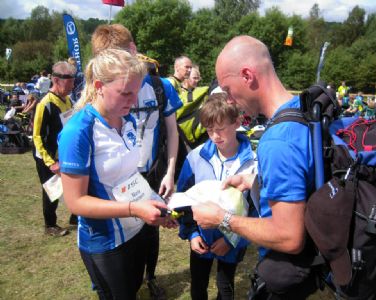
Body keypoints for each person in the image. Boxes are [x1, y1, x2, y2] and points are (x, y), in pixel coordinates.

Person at [192, 35, 316, 298]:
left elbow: (289, 237)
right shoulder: (301, 110)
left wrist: (222, 219)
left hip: (287, 274)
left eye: (227, 89)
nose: (228, 99)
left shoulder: (278, 140)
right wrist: (254, 182)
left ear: (248, 75)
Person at [58, 48, 176, 300]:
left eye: (136, 92)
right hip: (104, 242)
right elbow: (75, 202)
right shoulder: (78, 131)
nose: (133, 102)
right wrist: (135, 209)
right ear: (99, 86)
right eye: (125, 93)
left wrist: (157, 205)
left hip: (135, 230)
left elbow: (130, 175)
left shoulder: (127, 120)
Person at [91, 23, 181, 299]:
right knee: (121, 229)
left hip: (151, 172)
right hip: (116, 174)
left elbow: (172, 131)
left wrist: (170, 172)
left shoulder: (159, 86)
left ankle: (149, 276)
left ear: (132, 50)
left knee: (150, 229)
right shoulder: (100, 89)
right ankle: (118, 281)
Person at [177, 92, 257, 299]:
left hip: (232, 239)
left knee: (225, 286)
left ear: (237, 122)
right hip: (201, 238)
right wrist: (192, 233)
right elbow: (183, 198)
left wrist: (233, 241)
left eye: (221, 129)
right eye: (209, 130)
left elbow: (256, 210)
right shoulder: (196, 157)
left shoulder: (254, 162)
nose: (215, 136)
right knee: (199, 283)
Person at [32, 61, 76, 237]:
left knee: (73, 183)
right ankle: (50, 225)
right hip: (47, 157)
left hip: (63, 154)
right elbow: (37, 137)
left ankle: (75, 216)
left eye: (73, 80)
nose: (73, 84)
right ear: (57, 80)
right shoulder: (45, 104)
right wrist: (50, 162)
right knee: (52, 190)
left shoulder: (67, 99)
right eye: (69, 81)